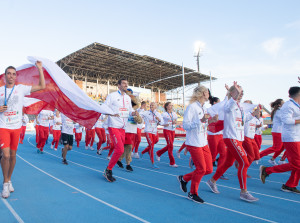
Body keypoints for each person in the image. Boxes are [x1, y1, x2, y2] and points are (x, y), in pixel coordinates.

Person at [206, 82, 259, 202]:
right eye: (238, 92)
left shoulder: (240, 107)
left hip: (238, 139)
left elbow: (243, 120)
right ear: (232, 94)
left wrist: (253, 115)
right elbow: (229, 105)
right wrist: (233, 94)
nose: (241, 94)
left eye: (242, 93)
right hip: (231, 138)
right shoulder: (228, 104)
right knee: (244, 163)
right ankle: (243, 192)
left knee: (229, 163)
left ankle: (212, 181)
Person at [0, 61, 45, 198]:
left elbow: (42, 86)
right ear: (5, 76)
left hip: (16, 127)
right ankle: (5, 183)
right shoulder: (0, 90)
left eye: (14, 74)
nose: (11, 76)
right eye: (9, 73)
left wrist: (40, 69)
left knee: (13, 156)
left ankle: (9, 179)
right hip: (3, 126)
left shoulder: (21, 89)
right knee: (6, 155)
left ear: (16, 77)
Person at [177, 85, 217, 203]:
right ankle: (192, 193)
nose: (208, 93)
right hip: (194, 143)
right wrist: (201, 121)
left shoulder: (204, 108)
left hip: (203, 142)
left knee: (209, 169)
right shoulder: (192, 107)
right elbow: (185, 125)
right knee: (201, 169)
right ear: (201, 93)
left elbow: (203, 124)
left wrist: (211, 121)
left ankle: (184, 178)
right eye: (206, 91)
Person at [260, 86, 300, 193]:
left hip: (296, 137)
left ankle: (290, 185)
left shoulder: (296, 105)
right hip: (291, 138)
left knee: (297, 164)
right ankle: (267, 170)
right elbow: (286, 120)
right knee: (297, 164)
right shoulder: (288, 105)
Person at [103, 78, 136, 182]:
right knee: (120, 149)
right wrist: (112, 113)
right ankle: (108, 170)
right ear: (118, 85)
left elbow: (130, 111)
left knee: (119, 149)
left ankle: (108, 169)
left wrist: (134, 113)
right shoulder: (112, 96)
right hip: (113, 125)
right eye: (124, 83)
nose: (126, 85)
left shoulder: (127, 97)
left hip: (123, 127)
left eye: (127, 83)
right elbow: (104, 107)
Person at [117, 89, 142, 171]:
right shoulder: (124, 108)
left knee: (124, 148)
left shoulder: (135, 111)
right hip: (126, 130)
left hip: (132, 131)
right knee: (128, 147)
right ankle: (128, 164)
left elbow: (140, 121)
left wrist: (137, 117)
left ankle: (119, 160)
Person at [259, 99, 285, 165]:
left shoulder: (279, 111)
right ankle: (258, 156)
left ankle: (273, 159)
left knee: (283, 146)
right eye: (283, 103)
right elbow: (285, 119)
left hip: (280, 131)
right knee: (276, 148)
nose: (285, 104)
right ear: (279, 105)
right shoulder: (279, 111)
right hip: (277, 131)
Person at [156, 102, 178, 167]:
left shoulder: (174, 114)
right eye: (169, 105)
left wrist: (174, 122)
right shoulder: (164, 114)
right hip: (167, 130)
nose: (171, 106)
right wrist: (165, 124)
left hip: (173, 130)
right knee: (171, 146)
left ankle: (159, 153)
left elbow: (176, 121)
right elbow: (159, 122)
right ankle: (172, 162)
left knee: (170, 146)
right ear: (166, 106)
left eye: (171, 105)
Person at [141, 102, 162, 169]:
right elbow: (139, 115)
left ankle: (144, 151)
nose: (151, 106)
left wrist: (159, 120)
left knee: (156, 141)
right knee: (151, 146)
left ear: (156, 106)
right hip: (148, 131)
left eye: (153, 105)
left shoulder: (158, 114)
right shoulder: (146, 113)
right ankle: (153, 163)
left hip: (154, 131)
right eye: (150, 105)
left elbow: (162, 122)